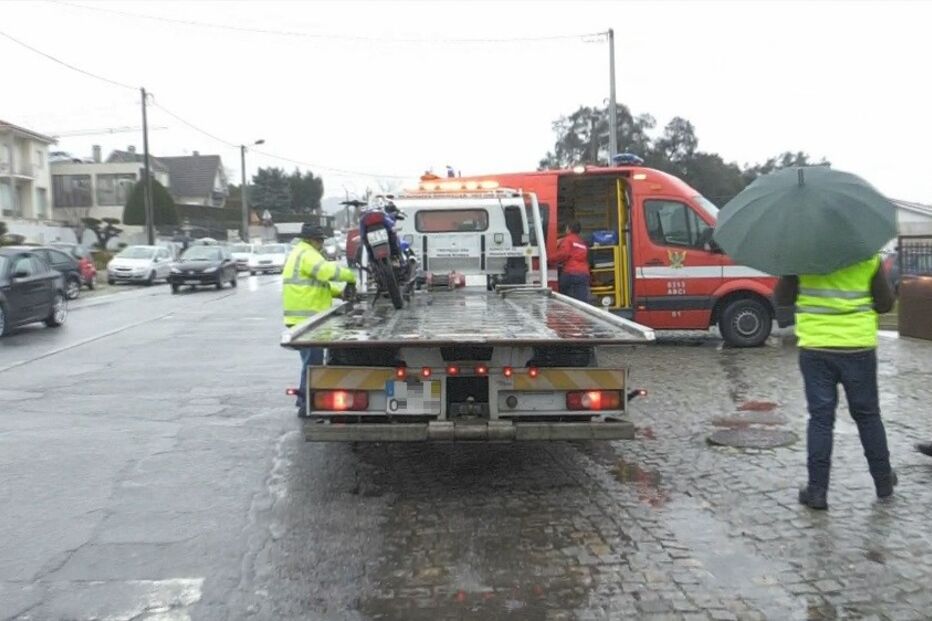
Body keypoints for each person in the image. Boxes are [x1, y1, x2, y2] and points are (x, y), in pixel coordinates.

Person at [775, 255, 896, 510]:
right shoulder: (867, 258)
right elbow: (885, 305)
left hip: (816, 347)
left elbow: (782, 299)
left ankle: (817, 492)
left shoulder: (802, 256)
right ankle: (884, 481)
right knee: (868, 416)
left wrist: (790, 270)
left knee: (820, 419)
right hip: (858, 346)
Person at [282, 223, 357, 416]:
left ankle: (304, 400)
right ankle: (306, 403)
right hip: (306, 319)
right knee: (313, 363)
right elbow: (326, 272)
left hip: (302, 318)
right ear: (312, 240)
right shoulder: (307, 254)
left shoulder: (300, 252)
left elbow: (317, 284)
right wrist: (350, 276)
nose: (322, 244)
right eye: (320, 240)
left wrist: (339, 293)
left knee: (310, 360)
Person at [550, 221, 591, 303]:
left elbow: (563, 254)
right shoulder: (582, 242)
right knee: (582, 299)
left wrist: (549, 259)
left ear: (568, 229)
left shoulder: (568, 240)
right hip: (583, 273)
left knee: (563, 296)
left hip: (570, 272)